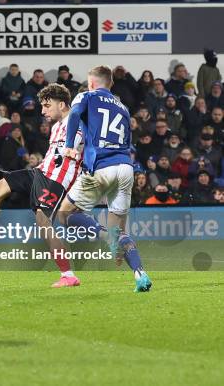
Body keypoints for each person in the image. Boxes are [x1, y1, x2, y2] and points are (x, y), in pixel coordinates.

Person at [0, 84, 85, 288]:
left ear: (62, 104)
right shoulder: (55, 127)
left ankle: (68, 274)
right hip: (40, 172)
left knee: (43, 222)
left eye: (46, 106)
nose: (42, 111)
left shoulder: (78, 123)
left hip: (56, 181)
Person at [58, 65, 152, 293]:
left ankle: (108, 236)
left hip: (103, 167)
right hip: (126, 168)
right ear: (110, 84)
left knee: (65, 214)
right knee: (121, 230)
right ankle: (140, 274)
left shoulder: (86, 96)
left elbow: (74, 116)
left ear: (92, 83)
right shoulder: (123, 108)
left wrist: (69, 146)